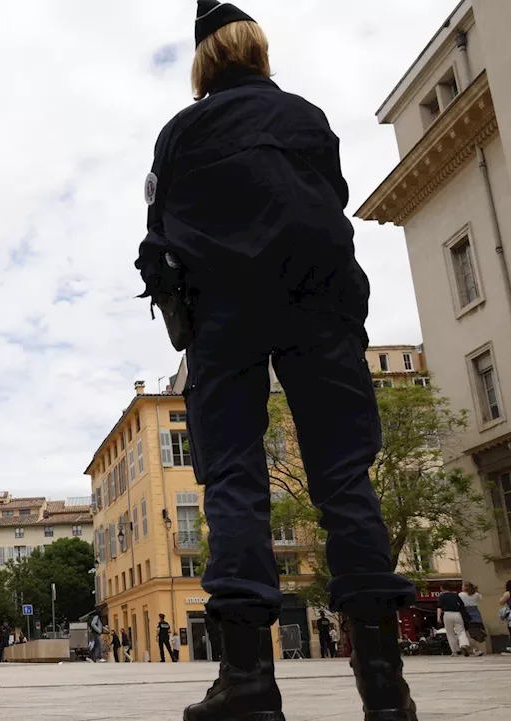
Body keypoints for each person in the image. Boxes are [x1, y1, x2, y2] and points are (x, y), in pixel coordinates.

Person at [134, 3, 419, 719]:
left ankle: (249, 680)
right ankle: (385, 687)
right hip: (318, 301)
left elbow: (158, 232)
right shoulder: (308, 119)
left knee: (233, 477)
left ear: (202, 64)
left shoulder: (178, 133)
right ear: (259, 51)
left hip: (223, 308)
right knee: (344, 477)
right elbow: (333, 201)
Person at [437, 585, 472, 657]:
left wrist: (438, 617)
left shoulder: (441, 596)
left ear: (441, 588)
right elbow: (462, 605)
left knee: (450, 633)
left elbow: (439, 607)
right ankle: (464, 644)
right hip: (457, 614)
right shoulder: (455, 595)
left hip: (447, 614)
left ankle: (455, 651)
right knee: (461, 631)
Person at [459, 582, 486, 656]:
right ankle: (474, 648)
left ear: (465, 587)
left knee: (469, 634)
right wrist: (476, 590)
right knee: (476, 633)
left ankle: (473, 648)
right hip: (476, 614)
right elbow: (480, 598)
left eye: (462, 586)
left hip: (466, 615)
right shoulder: (476, 595)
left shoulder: (461, 595)